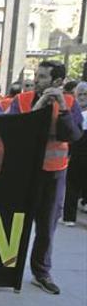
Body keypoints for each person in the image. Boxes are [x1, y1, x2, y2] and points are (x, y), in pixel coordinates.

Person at [7, 60, 83, 294]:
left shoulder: (70, 102)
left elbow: (73, 135)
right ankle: (4, 269)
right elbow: (14, 130)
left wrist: (61, 107)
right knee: (13, 222)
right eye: (37, 76)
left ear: (57, 81)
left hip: (54, 173)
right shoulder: (21, 100)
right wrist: (38, 106)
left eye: (42, 77)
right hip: (25, 172)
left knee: (47, 226)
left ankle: (41, 272)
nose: (37, 81)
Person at [62, 81, 87, 226]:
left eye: (85, 94)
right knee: (72, 185)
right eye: (80, 94)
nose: (83, 97)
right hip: (75, 153)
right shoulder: (73, 112)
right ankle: (69, 217)